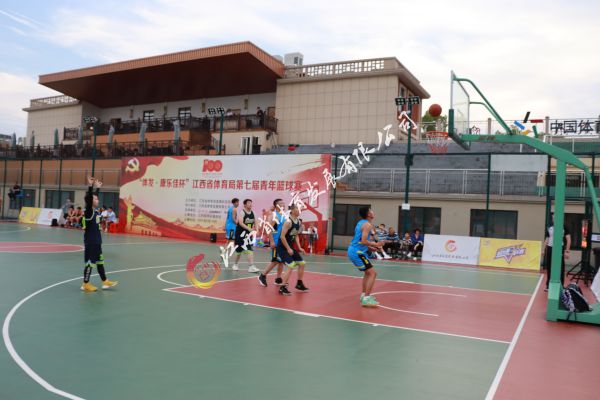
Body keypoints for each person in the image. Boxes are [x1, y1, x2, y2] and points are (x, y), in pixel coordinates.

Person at [81, 176, 118, 292]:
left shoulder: (96, 211)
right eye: (96, 199)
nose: (98, 200)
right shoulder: (89, 212)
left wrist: (97, 188)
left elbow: (92, 198)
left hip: (97, 242)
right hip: (91, 242)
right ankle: (85, 284)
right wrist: (90, 186)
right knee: (90, 263)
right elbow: (89, 199)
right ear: (91, 201)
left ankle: (105, 281)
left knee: (100, 262)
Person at [347, 207, 383, 307]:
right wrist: (376, 244)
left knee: (368, 273)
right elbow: (363, 240)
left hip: (356, 250)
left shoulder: (361, 223)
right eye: (371, 210)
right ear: (368, 214)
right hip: (357, 252)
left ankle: (363, 295)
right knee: (373, 273)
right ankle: (366, 298)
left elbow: (359, 240)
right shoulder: (367, 225)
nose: (373, 211)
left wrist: (370, 248)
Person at [277, 204, 309, 295]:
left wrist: (299, 247)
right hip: (283, 248)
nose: (300, 210)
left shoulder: (298, 221)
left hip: (290, 247)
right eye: (298, 209)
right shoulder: (288, 222)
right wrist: (288, 248)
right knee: (291, 265)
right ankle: (282, 288)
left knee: (302, 263)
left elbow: (296, 235)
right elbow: (282, 237)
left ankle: (299, 284)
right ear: (292, 210)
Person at [258, 199, 285, 287]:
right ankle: (263, 275)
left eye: (283, 203)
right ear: (276, 205)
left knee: (281, 261)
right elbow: (268, 229)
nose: (283, 204)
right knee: (275, 260)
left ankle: (278, 279)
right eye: (281, 203)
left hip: (282, 241)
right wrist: (272, 241)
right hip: (276, 241)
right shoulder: (274, 215)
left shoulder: (283, 215)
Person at [543, 214, 571, 291]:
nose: (554, 220)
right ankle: (548, 285)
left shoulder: (564, 227)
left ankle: (561, 285)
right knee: (549, 266)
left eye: (555, 218)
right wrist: (543, 249)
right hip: (550, 248)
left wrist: (567, 251)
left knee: (561, 267)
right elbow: (547, 239)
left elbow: (568, 239)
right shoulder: (550, 228)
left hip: (559, 248)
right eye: (553, 218)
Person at [232, 199, 260, 273]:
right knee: (238, 251)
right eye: (248, 203)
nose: (250, 204)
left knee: (249, 249)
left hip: (248, 235)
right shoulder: (242, 212)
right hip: (240, 235)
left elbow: (256, 222)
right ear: (245, 205)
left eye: (251, 203)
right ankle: (235, 264)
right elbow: (241, 223)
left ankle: (251, 266)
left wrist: (257, 230)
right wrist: (250, 229)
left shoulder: (253, 213)